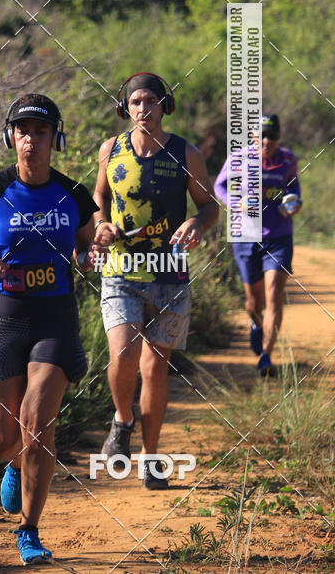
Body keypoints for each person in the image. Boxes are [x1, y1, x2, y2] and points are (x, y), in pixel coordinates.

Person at [0, 94, 99, 565]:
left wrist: (92, 255)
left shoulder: (74, 195)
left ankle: (28, 530)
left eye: (41, 131)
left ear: (56, 138)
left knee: (38, 424)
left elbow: (87, 246)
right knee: (3, 441)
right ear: (11, 136)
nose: (31, 139)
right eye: (23, 130)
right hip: (3, 320)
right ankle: (13, 464)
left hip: (54, 317)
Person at [92, 73, 218, 488]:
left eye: (151, 101)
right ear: (124, 108)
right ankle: (122, 419)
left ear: (165, 105)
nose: (143, 109)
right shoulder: (111, 150)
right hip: (121, 271)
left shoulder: (186, 153)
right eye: (135, 102)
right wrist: (101, 225)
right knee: (123, 355)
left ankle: (149, 458)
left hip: (170, 275)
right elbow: (99, 200)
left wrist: (197, 223)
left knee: (155, 367)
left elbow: (208, 206)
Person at [214, 113, 301, 376]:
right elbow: (219, 187)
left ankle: (266, 356)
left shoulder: (288, 159)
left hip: (278, 235)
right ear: (253, 135)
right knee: (253, 302)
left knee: (274, 292)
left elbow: (294, 189)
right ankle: (255, 324)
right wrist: (235, 203)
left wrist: (293, 204)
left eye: (272, 136)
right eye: (261, 135)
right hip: (246, 236)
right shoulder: (239, 158)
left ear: (279, 136)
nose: (266, 141)